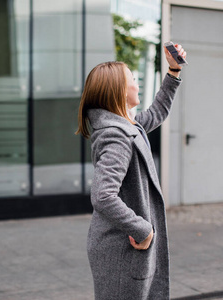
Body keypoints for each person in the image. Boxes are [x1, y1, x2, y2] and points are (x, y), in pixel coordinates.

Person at [75, 44, 186, 300]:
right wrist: (143, 229)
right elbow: (103, 196)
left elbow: (157, 112)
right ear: (118, 91)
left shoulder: (128, 126)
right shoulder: (116, 135)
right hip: (122, 248)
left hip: (126, 245)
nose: (137, 84)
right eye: (133, 80)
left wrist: (173, 70)